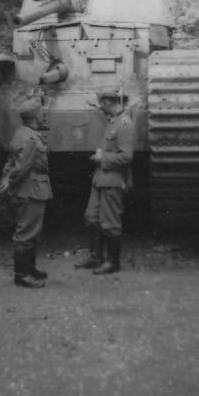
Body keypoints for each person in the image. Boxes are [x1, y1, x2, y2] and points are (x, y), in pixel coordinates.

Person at [76, 89, 134, 274]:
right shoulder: (113, 122)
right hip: (100, 179)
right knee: (91, 218)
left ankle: (112, 262)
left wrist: (103, 158)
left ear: (108, 102)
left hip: (112, 179)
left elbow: (127, 156)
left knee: (110, 223)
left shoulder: (124, 124)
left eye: (102, 104)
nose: (100, 108)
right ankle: (96, 256)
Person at [0, 98, 52, 288]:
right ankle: (21, 275)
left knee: (31, 231)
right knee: (26, 233)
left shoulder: (20, 133)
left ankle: (30, 268)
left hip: (28, 188)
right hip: (31, 189)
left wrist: (6, 180)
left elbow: (11, 162)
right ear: (36, 116)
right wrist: (11, 181)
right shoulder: (31, 138)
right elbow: (21, 168)